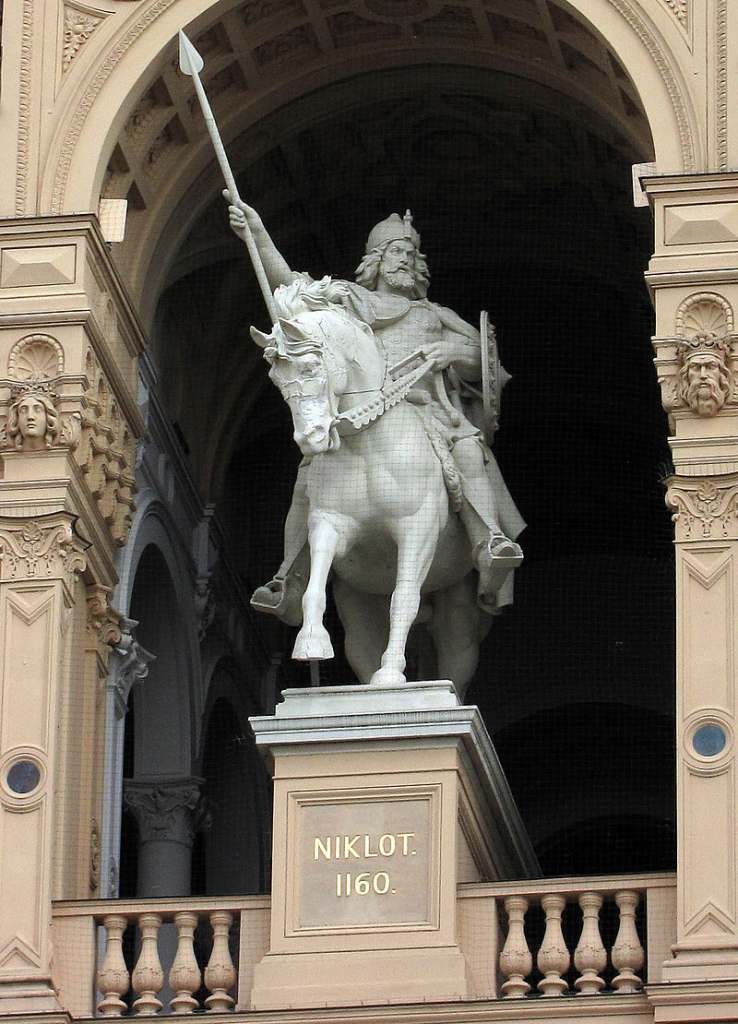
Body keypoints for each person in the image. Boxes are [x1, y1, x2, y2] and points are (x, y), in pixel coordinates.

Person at [227, 197, 524, 620]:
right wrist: (258, 235)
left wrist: (451, 350)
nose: (405, 261)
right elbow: (291, 286)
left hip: (426, 414)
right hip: (355, 416)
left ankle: (487, 542)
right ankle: (288, 578)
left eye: (410, 254)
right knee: (307, 476)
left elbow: (487, 364)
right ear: (377, 260)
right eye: (396, 253)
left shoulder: (433, 314)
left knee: (469, 452)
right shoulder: (346, 304)